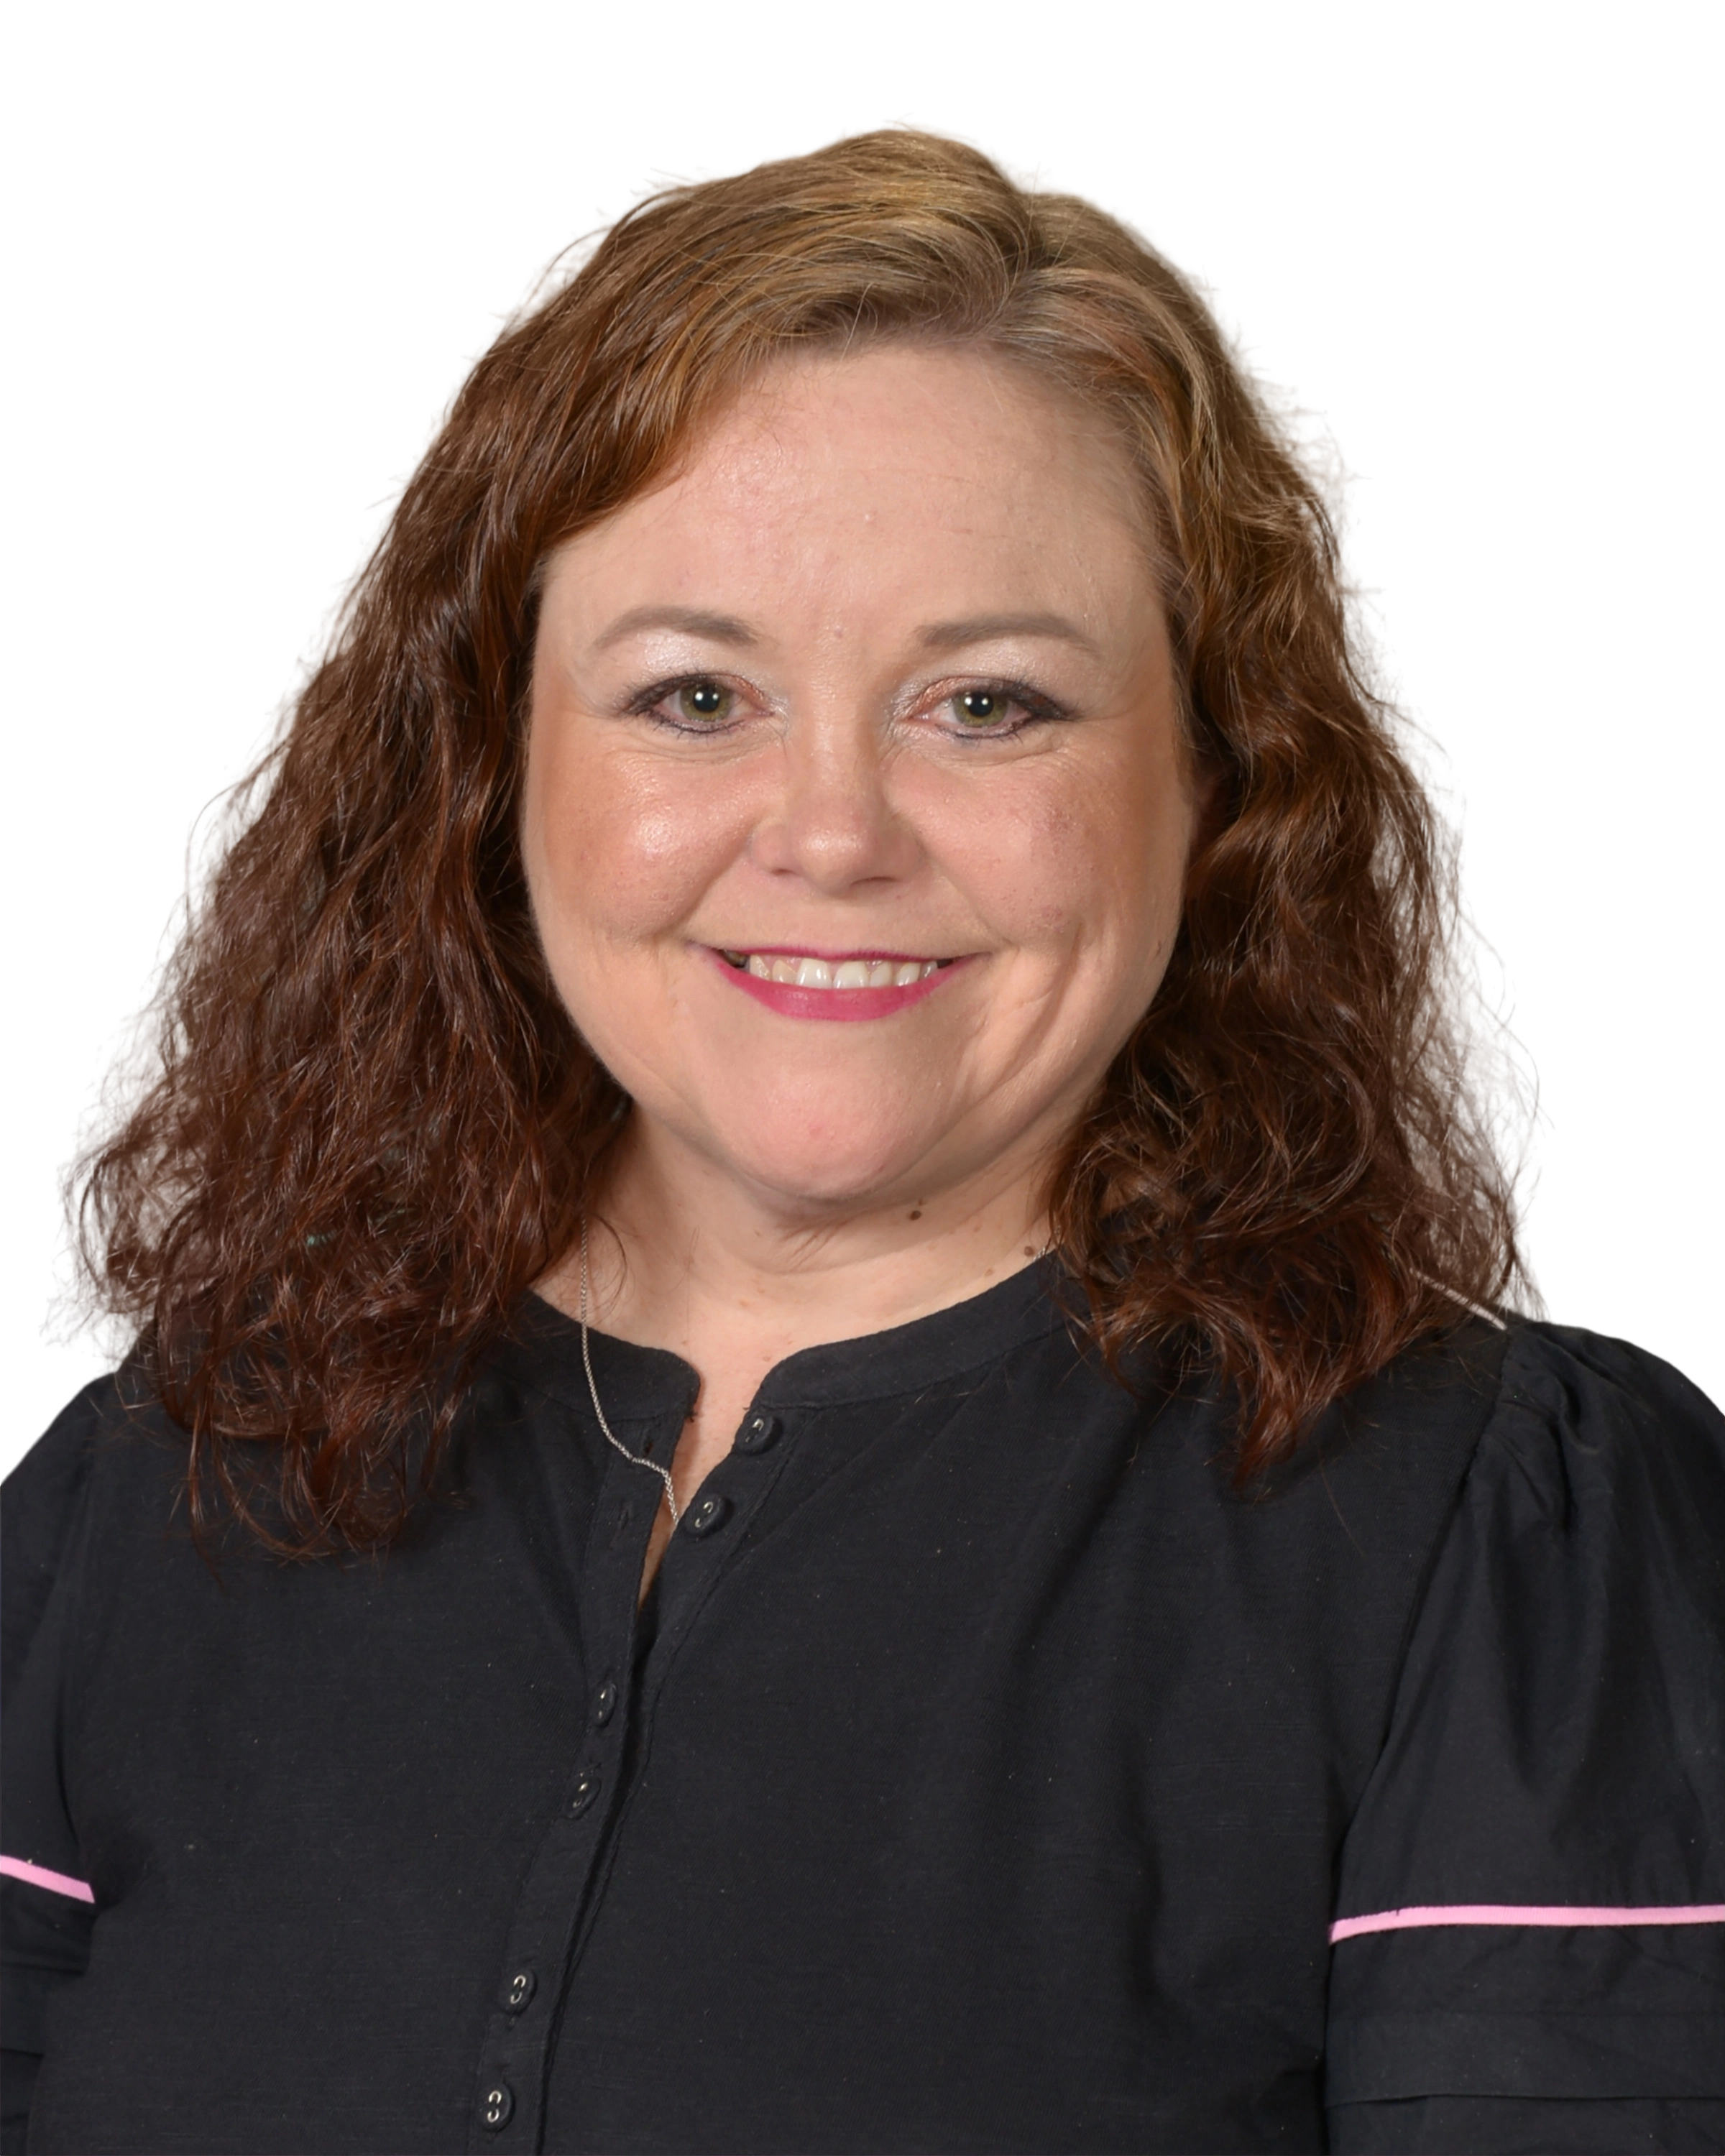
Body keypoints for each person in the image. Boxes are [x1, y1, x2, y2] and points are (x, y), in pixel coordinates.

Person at [4, 116, 1721, 2156]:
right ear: (488, 767)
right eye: (693, 697)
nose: (831, 836)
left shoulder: (1498, 1540)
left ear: (1220, 787)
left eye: (986, 704)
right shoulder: (150, 1487)